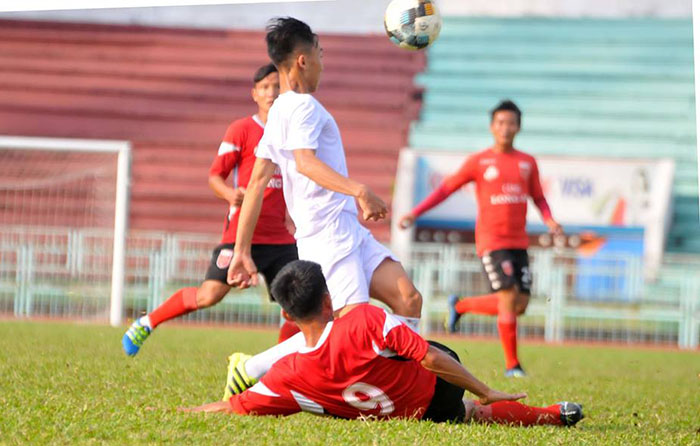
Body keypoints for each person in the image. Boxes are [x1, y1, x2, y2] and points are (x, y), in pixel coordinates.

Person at [222, 17, 423, 391]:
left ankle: (407, 378)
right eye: (319, 53)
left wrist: (241, 250)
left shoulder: (280, 110)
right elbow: (305, 162)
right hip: (329, 237)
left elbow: (257, 182)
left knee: (408, 299)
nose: (322, 63)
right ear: (302, 59)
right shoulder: (303, 107)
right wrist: (359, 190)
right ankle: (253, 369)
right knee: (349, 334)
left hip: (346, 230)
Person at [185, 260, 584, 428]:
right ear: (328, 299)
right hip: (434, 391)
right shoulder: (362, 318)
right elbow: (430, 358)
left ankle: (545, 414)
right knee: (470, 404)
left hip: (405, 412)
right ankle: (551, 414)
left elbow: (232, 407)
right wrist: (485, 388)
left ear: (286, 316)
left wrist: (184, 411)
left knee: (465, 413)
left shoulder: (288, 376)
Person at [122, 63, 299, 356]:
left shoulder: (291, 132)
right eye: (265, 87)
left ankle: (278, 366)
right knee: (209, 295)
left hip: (280, 238)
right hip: (241, 234)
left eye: (276, 87)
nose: (271, 93)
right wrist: (231, 194)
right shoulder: (241, 129)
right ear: (254, 94)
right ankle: (147, 322)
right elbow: (215, 176)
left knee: (294, 304)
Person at [398, 100, 562, 378]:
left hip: (518, 241)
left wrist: (549, 219)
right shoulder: (479, 161)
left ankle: (460, 305)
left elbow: (539, 197)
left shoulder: (527, 162)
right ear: (492, 126)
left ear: (518, 127)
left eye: (511, 123)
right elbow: (446, 189)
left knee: (519, 305)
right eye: (500, 122)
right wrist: (415, 213)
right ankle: (513, 365)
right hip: (492, 240)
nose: (505, 128)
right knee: (508, 296)